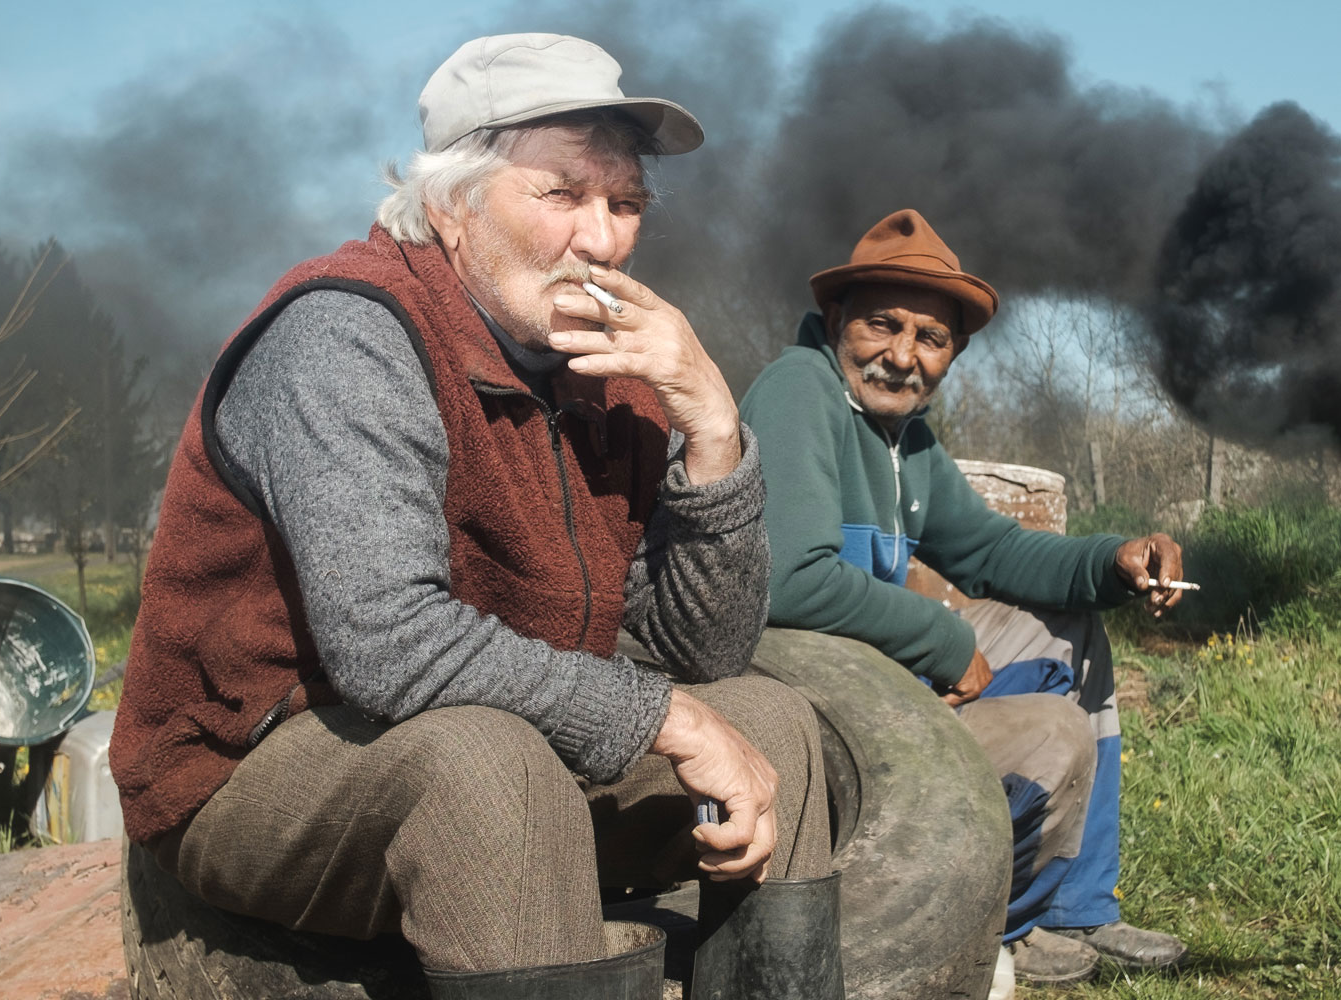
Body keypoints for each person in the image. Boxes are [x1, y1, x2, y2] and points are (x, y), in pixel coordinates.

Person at [110, 34, 841, 1000]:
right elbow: (388, 642)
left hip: (505, 731)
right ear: (451, 205)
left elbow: (702, 654)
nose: (604, 239)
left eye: (625, 205)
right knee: (488, 769)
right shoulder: (348, 335)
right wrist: (661, 717)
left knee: (771, 721)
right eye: (562, 194)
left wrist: (713, 432)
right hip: (248, 765)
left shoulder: (612, 372)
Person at [740, 209, 1189, 985]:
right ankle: (1000, 922)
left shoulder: (905, 439)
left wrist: (1115, 562)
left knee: (1068, 632)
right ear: (838, 317)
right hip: (808, 701)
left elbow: (991, 551)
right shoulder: (798, 392)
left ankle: (1078, 907)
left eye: (931, 338)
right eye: (883, 325)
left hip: (873, 670)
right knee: (1052, 731)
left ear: (954, 354)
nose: (902, 356)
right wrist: (942, 641)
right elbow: (789, 583)